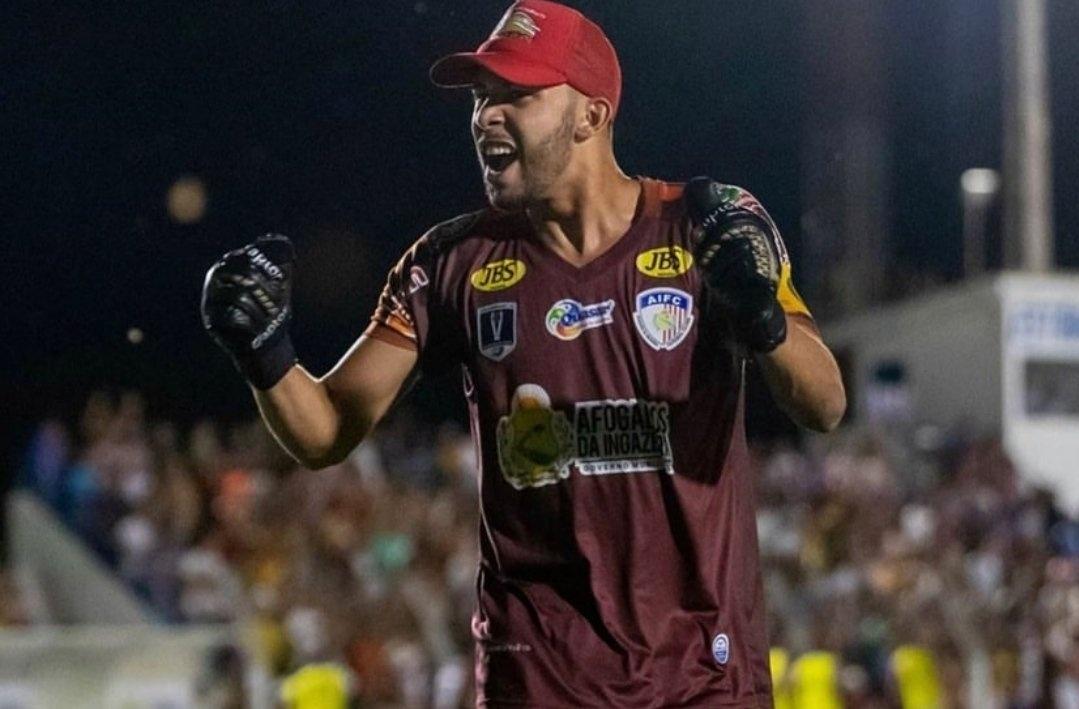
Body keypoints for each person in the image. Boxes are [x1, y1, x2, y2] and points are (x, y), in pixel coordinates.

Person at [200, 1, 846, 705]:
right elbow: (326, 429)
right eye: (481, 98)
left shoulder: (708, 222)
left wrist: (762, 319)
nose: (485, 118)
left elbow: (826, 403)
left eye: (516, 96)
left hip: (700, 679)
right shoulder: (451, 262)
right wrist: (264, 352)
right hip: (537, 680)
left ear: (591, 117)